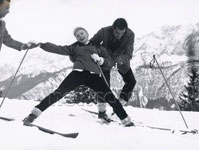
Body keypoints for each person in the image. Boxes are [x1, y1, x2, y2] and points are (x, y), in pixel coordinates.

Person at [23, 27, 134, 127]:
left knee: (110, 97)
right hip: (77, 74)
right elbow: (58, 49)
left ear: (86, 33)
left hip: (94, 76)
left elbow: (108, 62)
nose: (80, 36)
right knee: (58, 93)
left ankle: (126, 121)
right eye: (77, 35)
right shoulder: (74, 47)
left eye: (81, 33)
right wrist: (41, 44)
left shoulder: (98, 48)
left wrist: (100, 60)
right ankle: (33, 114)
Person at [90, 18, 136, 105]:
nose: (119, 35)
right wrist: (97, 55)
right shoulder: (103, 32)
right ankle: (102, 111)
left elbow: (128, 54)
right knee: (104, 86)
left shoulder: (130, 35)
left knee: (131, 81)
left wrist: (118, 61)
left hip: (121, 60)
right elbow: (91, 44)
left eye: (122, 33)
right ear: (112, 29)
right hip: (105, 60)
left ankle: (120, 105)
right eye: (117, 33)